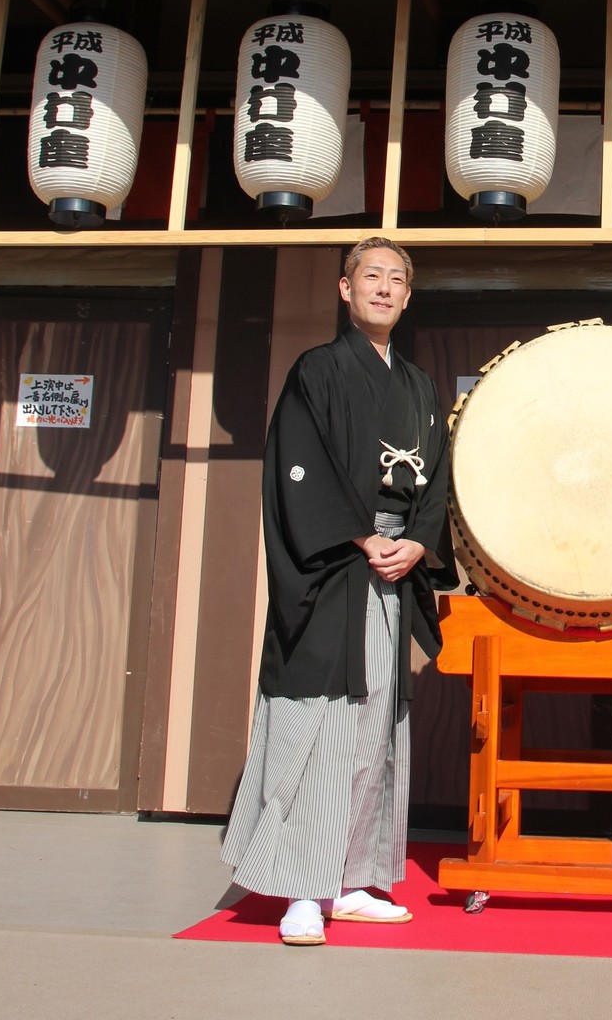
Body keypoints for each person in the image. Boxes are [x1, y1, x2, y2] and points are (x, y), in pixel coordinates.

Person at [221, 236, 455, 946]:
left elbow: (437, 478)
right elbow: (298, 467)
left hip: (391, 573)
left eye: (395, 279)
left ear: (407, 297)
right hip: (332, 573)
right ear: (344, 290)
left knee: (375, 728)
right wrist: (359, 537)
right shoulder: (316, 372)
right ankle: (300, 890)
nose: (383, 288)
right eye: (370, 276)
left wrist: (416, 540)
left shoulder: (417, 386)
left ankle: (353, 880)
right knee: (315, 727)